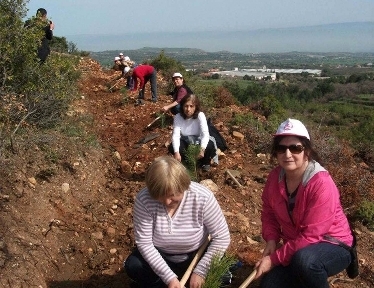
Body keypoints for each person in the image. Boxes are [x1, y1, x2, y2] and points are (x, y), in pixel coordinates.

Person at [254, 118, 355, 288]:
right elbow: (269, 211)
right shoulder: (275, 177)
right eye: (281, 148)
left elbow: (311, 236)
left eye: (295, 148)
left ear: (306, 151)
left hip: (332, 243)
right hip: (297, 246)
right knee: (269, 285)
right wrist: (271, 240)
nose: (287, 154)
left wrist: (274, 259)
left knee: (306, 263)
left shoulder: (321, 184)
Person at [124, 156, 230, 288]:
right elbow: (145, 244)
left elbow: (222, 237)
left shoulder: (202, 197)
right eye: (161, 196)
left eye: (173, 195)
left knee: (223, 273)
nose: (168, 202)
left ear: (184, 186)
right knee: (134, 265)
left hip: (196, 256)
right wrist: (169, 278)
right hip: (162, 256)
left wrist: (201, 271)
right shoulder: (144, 200)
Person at [168, 94, 217, 172]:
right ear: (182, 106)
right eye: (186, 106)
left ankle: (205, 163)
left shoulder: (200, 115)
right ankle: (186, 162)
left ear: (195, 107)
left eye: (191, 106)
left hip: (198, 139)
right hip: (185, 140)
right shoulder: (178, 117)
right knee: (172, 147)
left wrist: (202, 149)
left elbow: (205, 134)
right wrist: (176, 152)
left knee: (210, 145)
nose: (188, 109)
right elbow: (176, 135)